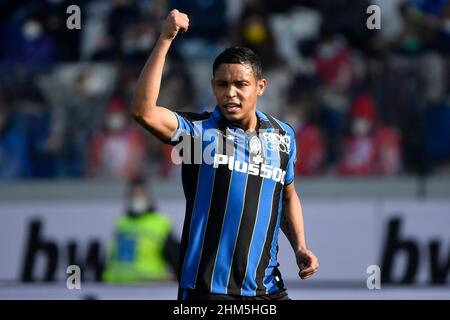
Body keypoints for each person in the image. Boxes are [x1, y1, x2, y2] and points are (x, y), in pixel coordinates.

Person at [131, 9, 319, 300]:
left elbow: (287, 195)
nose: (231, 92)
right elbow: (143, 111)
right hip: (207, 290)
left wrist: (300, 246)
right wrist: (165, 39)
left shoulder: (283, 137)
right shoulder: (197, 133)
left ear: (260, 87)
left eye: (241, 84)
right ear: (213, 87)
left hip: (266, 290)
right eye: (222, 84)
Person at [102, 177, 180, 283]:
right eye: (134, 194)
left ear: (149, 197)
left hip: (147, 286)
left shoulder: (160, 223)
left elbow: (175, 258)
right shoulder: (121, 223)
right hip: (115, 285)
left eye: (141, 194)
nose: (137, 198)